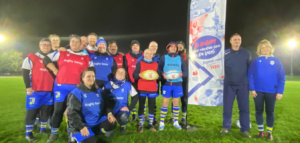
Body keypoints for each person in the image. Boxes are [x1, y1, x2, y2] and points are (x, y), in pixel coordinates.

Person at [43, 35, 94, 142]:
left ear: (80, 44)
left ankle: (72, 132)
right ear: (70, 43)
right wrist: (54, 70)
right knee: (58, 110)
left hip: (76, 89)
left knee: (74, 112)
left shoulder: (85, 57)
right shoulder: (62, 53)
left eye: (77, 42)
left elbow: (92, 70)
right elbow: (46, 58)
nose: (74, 43)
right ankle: (54, 133)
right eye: (72, 41)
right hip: (60, 88)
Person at [248, 39, 285, 140]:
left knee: (270, 112)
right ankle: (260, 131)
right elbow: (250, 75)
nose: (264, 49)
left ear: (271, 48)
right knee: (258, 111)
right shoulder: (255, 61)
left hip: (272, 91)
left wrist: (280, 91)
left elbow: (281, 77)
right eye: (262, 47)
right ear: (259, 49)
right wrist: (252, 89)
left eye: (267, 47)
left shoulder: (277, 61)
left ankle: (269, 132)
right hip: (258, 91)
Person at [67, 68, 117, 143]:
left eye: (93, 76)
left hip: (96, 122)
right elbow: (72, 113)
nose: (91, 78)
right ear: (82, 78)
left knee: (112, 123)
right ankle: (73, 135)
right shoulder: (76, 93)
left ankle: (95, 133)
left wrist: (109, 113)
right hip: (82, 124)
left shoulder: (98, 91)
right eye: (88, 76)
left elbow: (106, 104)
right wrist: (81, 127)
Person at [22, 38, 54, 142]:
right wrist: (28, 87)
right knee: (32, 112)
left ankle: (43, 129)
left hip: (48, 91)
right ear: (39, 46)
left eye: (48, 45)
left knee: (45, 111)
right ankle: (28, 133)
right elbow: (25, 72)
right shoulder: (32, 57)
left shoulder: (52, 58)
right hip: (35, 91)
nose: (46, 46)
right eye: (44, 45)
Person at [221, 33, 252, 138]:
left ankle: (245, 129)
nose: (237, 41)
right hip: (229, 85)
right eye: (234, 40)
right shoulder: (225, 53)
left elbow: (249, 69)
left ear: (241, 41)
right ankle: (226, 127)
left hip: (243, 85)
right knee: (227, 107)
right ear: (230, 41)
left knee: (244, 108)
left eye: (239, 39)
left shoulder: (247, 53)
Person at [158, 41, 188, 130]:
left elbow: (185, 71)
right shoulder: (163, 58)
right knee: (165, 103)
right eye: (171, 47)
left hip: (177, 84)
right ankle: (161, 122)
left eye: (175, 47)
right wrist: (163, 74)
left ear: (177, 49)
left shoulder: (180, 58)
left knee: (176, 102)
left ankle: (176, 122)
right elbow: (158, 70)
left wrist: (181, 74)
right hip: (167, 84)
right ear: (168, 48)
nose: (173, 48)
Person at [103, 67, 139, 134]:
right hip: (109, 110)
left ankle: (122, 126)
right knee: (107, 134)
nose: (121, 73)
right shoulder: (107, 84)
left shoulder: (128, 84)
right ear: (115, 73)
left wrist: (129, 108)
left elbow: (135, 96)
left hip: (121, 109)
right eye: (119, 72)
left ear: (125, 75)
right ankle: (111, 125)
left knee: (124, 117)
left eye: (123, 72)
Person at [134, 49, 160, 133]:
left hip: (152, 88)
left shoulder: (156, 64)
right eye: (147, 53)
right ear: (144, 54)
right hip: (142, 88)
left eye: (150, 53)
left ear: (152, 55)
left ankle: (150, 123)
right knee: (141, 106)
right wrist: (138, 75)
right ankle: (140, 124)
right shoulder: (139, 63)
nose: (149, 55)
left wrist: (158, 77)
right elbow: (134, 75)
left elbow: (159, 76)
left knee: (151, 106)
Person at [169, 41, 188, 127]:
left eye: (181, 45)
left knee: (184, 99)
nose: (180, 46)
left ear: (184, 47)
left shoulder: (187, 56)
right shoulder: (173, 56)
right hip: (175, 80)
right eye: (178, 45)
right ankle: (173, 117)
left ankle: (183, 118)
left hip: (184, 81)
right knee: (174, 99)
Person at [124, 40, 143, 121]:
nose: (135, 47)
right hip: (131, 80)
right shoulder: (126, 56)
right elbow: (125, 68)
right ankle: (133, 115)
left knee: (142, 98)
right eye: (133, 45)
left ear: (139, 47)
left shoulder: (143, 55)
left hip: (142, 80)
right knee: (133, 97)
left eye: (137, 45)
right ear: (131, 47)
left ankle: (142, 114)